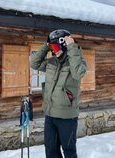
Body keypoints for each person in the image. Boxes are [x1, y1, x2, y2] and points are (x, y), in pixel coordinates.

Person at [30, 29, 87, 158]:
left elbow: (78, 73)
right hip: (50, 115)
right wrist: (46, 45)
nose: (54, 50)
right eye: (52, 47)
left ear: (64, 44)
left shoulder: (77, 62)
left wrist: (72, 46)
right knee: (50, 150)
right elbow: (34, 63)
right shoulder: (51, 62)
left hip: (67, 117)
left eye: (56, 46)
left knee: (69, 151)